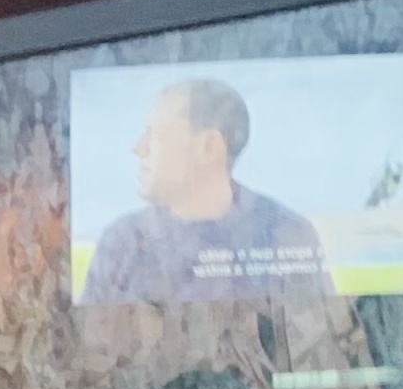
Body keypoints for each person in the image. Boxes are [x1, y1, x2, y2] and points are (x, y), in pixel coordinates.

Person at [82, 76, 336, 306]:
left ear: (208, 146)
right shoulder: (121, 244)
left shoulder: (287, 236)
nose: (138, 149)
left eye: (154, 134)